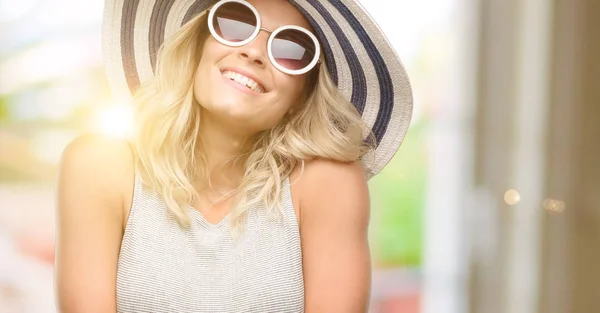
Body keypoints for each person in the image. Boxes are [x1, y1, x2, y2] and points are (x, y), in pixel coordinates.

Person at [54, 0, 412, 312]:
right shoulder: (98, 166)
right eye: (236, 23)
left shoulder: (328, 184)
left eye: (290, 48)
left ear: (302, 96)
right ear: (197, 47)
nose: (254, 52)